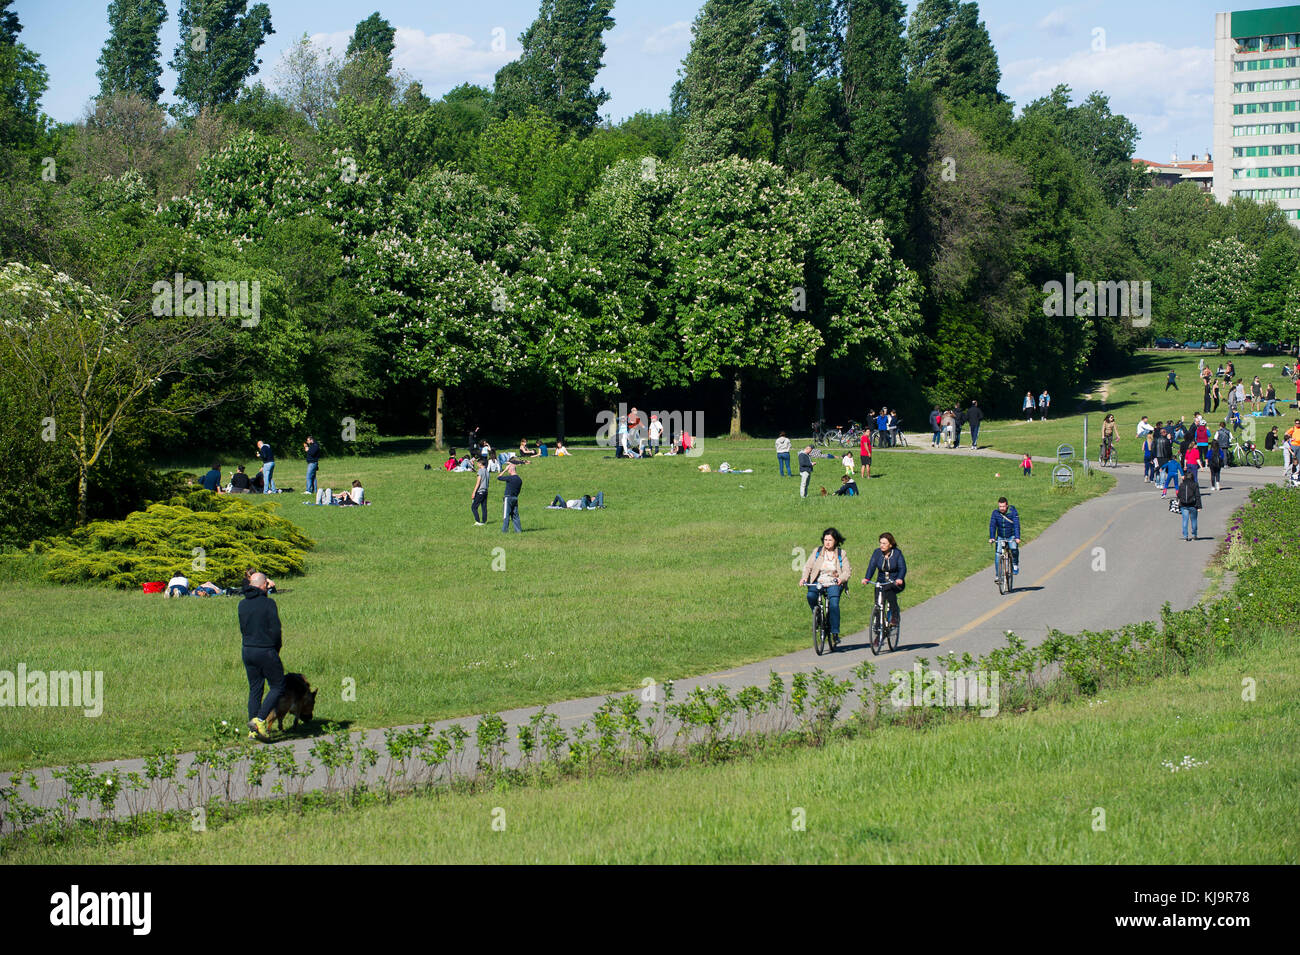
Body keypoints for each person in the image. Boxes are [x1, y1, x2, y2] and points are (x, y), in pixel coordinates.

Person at [240, 571, 284, 742]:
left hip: (247, 650)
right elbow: (275, 630)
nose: (268, 587)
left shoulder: (242, 605)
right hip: (266, 650)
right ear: (262, 585)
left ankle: (252, 731)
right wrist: (276, 648)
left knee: (255, 689)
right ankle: (259, 720)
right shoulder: (269, 604)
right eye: (267, 584)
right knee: (278, 685)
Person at [799, 528, 852, 645]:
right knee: (810, 596)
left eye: (830, 540)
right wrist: (804, 578)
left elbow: (847, 571)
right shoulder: (817, 551)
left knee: (834, 604)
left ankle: (835, 632)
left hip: (834, 583)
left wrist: (841, 579)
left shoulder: (841, 554)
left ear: (836, 541)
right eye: (825, 539)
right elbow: (808, 566)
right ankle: (817, 616)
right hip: (818, 582)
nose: (827, 542)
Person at [861, 532, 906, 633]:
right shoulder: (877, 553)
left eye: (884, 543)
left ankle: (895, 615)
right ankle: (878, 628)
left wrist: (899, 578)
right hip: (881, 582)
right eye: (880, 543)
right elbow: (871, 566)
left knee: (889, 591)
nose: (881, 545)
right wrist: (867, 578)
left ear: (890, 544)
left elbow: (902, 568)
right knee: (878, 603)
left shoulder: (897, 553)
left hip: (895, 582)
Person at [988, 498, 1021, 577]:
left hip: (1011, 535)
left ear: (1007, 505)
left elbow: (1016, 525)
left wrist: (1017, 537)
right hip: (1000, 536)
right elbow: (992, 525)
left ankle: (1015, 565)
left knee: (1014, 549)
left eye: (1003, 506)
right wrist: (992, 537)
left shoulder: (1012, 512)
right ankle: (998, 575)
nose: (1002, 508)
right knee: (997, 555)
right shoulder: (995, 513)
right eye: (1000, 506)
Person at [1177, 469, 1202, 542]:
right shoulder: (1195, 484)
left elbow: (1178, 495)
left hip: (1183, 505)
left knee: (1185, 520)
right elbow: (1197, 496)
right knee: (1194, 520)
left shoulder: (1182, 485)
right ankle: (1194, 535)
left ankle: (1185, 536)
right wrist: (1199, 506)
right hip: (1193, 505)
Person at [498, 460, 522, 533]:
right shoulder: (519, 479)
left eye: (508, 470)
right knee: (515, 515)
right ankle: (518, 531)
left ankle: (504, 531)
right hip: (515, 497)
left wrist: (504, 470)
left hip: (508, 498)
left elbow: (499, 477)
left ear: (510, 470)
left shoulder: (510, 478)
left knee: (506, 515)